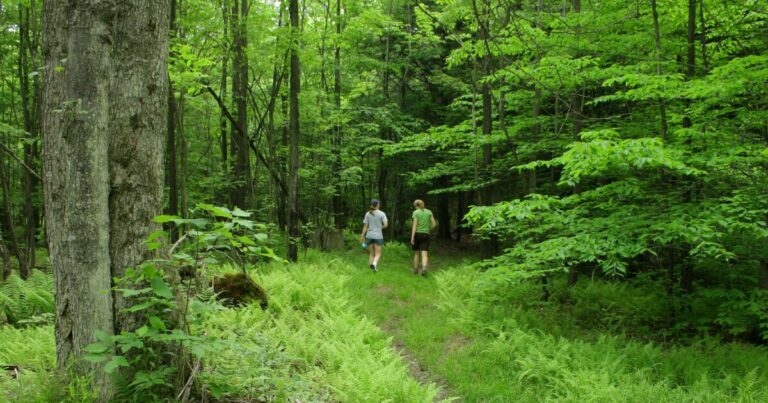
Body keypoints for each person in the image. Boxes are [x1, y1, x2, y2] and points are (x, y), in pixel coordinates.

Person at [360, 199, 388, 272]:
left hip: (369, 236)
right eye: (379, 203)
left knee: (371, 253)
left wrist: (362, 236)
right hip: (378, 236)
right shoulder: (382, 214)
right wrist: (380, 227)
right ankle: (374, 265)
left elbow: (365, 226)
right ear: (377, 205)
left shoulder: (368, 213)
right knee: (378, 253)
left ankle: (371, 269)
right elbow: (386, 225)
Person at [410, 199, 436, 275]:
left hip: (417, 234)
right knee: (424, 254)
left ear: (416, 205)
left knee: (417, 253)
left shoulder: (415, 212)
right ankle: (424, 269)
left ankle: (415, 270)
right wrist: (428, 229)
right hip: (426, 234)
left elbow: (414, 225)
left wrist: (412, 237)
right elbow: (434, 224)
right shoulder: (429, 212)